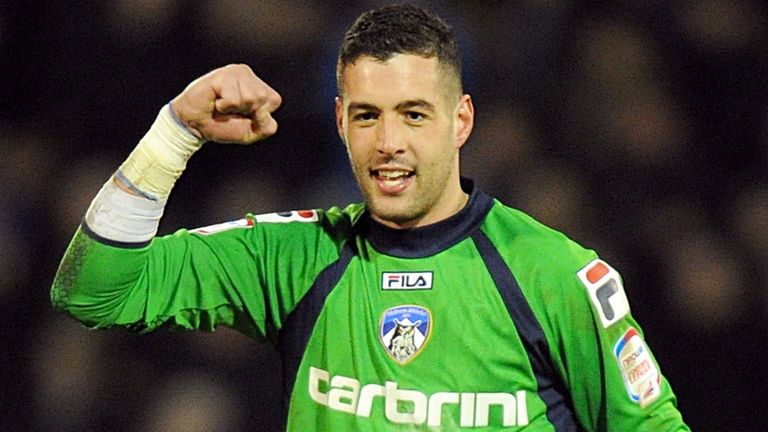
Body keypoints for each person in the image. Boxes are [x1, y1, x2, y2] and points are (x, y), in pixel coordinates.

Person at [51, 4, 689, 431]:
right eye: (366, 115)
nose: (388, 142)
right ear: (340, 122)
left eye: (414, 114)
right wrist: (174, 135)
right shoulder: (293, 257)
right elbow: (92, 292)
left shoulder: (555, 274)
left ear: (461, 120)